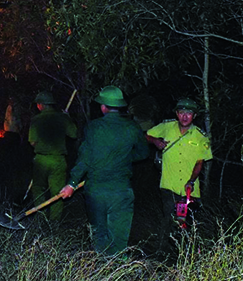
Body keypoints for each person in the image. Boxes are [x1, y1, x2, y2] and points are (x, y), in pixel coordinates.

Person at [61, 86, 149, 256]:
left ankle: (102, 264)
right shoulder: (132, 127)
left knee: (99, 233)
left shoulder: (94, 127)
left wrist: (72, 183)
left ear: (103, 107)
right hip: (121, 191)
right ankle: (117, 266)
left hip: (96, 191)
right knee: (119, 238)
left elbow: (84, 159)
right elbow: (143, 152)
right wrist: (123, 158)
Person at [146, 98, 213, 232]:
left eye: (189, 113)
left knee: (188, 227)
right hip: (169, 186)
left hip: (190, 190)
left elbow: (200, 162)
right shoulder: (167, 127)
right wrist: (155, 141)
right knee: (168, 223)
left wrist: (191, 181)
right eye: (181, 112)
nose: (185, 116)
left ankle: (187, 245)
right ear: (177, 114)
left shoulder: (201, 137)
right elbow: (146, 135)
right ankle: (163, 245)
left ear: (194, 115)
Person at [28, 90, 75, 221]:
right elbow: (74, 134)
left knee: (38, 189)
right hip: (58, 160)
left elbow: (32, 142)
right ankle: (54, 223)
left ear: (41, 105)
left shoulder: (36, 120)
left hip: (41, 160)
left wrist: (42, 146)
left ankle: (40, 218)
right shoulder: (62, 118)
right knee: (58, 192)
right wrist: (68, 118)